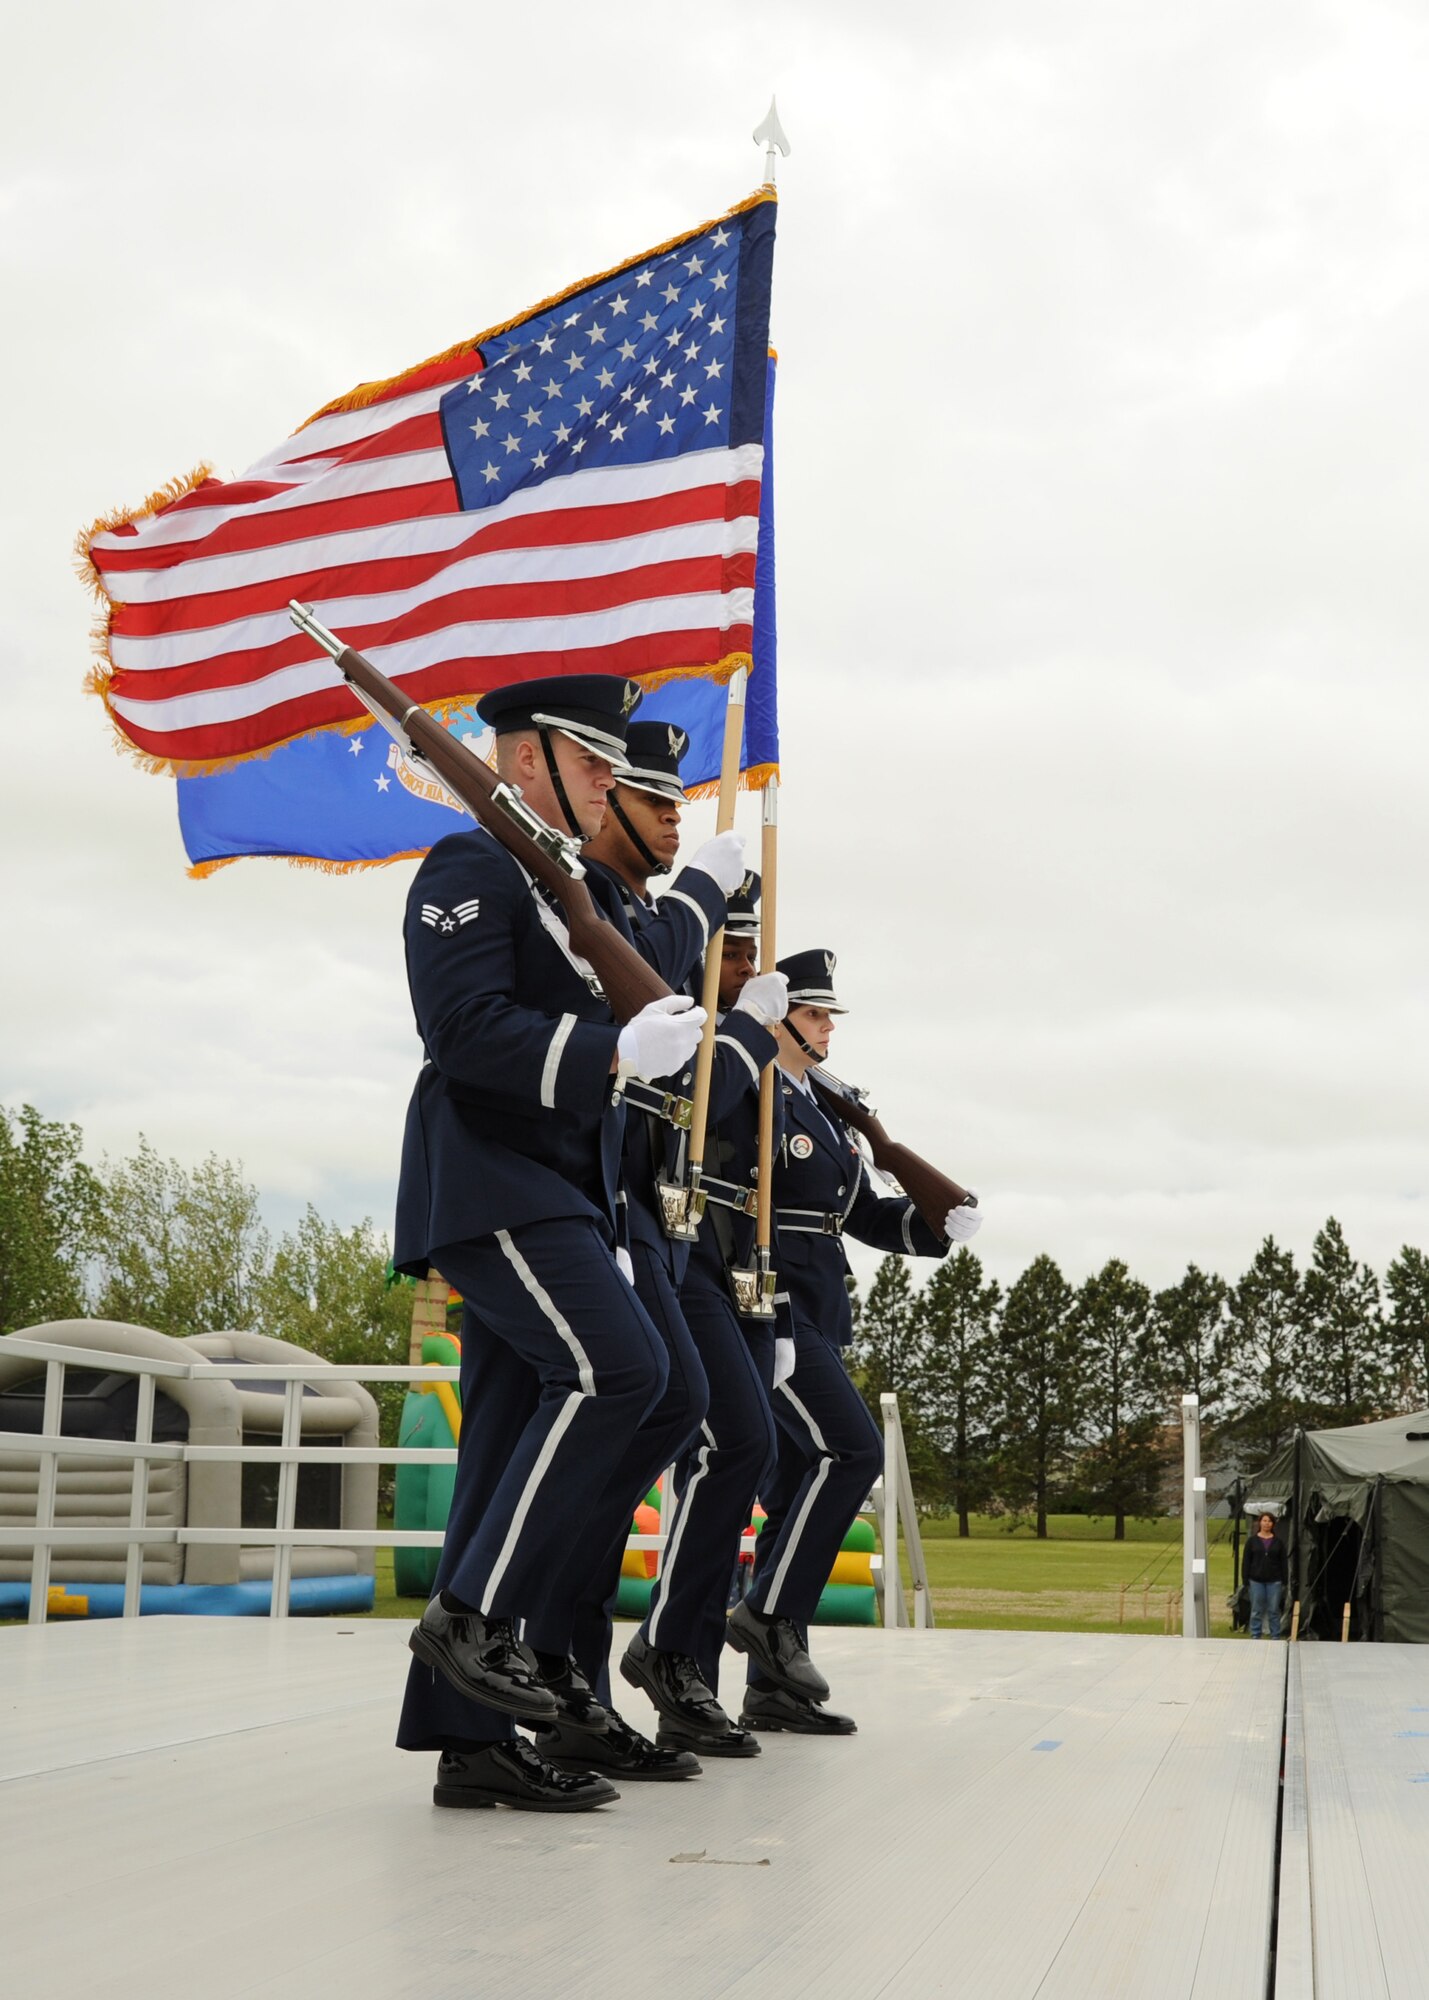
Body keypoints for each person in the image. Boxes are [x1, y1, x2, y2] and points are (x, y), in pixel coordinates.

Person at [393, 674, 724, 1813]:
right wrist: (615, 1054)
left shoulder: (568, 885)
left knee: (526, 1434)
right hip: (492, 1177)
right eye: (593, 764)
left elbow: (632, 962)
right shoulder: (471, 865)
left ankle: (474, 1734)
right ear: (525, 758)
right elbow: (466, 1031)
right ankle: (473, 1619)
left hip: (562, 1188)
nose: (609, 783)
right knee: (618, 1372)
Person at [517, 719, 754, 1784]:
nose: (668, 816)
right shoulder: (577, 898)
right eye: (652, 800)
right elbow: (655, 969)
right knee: (629, 1411)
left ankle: (577, 1681)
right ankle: (548, 1670)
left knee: (657, 1414)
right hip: (581, 1197)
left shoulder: (615, 907)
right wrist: (705, 914)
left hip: (634, 1208)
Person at [730, 949, 982, 1734]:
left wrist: (933, 1224)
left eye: (828, 1015)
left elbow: (861, 1216)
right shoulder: (759, 1090)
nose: (827, 1027)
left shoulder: (825, 1106)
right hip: (768, 1307)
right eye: (811, 1014)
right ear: (776, 1017)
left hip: (816, 1312)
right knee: (851, 1452)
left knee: (797, 1480)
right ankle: (767, 1613)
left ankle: (772, 1687)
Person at [621, 871, 787, 1763]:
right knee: (728, 1443)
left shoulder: (739, 1035)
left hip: (722, 1262)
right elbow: (698, 1115)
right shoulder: (678, 1019)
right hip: (664, 1240)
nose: (748, 965)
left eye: (754, 951)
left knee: (743, 1446)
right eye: (735, 950)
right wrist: (752, 1032)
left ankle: (681, 1661)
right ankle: (666, 1646)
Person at [1243, 1511, 1287, 1639]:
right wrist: (1245, 1579)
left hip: (1274, 1580)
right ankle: (1256, 1634)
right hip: (1256, 1580)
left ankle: (1275, 1635)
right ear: (1260, 1522)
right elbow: (1246, 1561)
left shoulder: (1278, 1542)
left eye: (1269, 1521)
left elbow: (1283, 1562)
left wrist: (1284, 1579)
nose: (1267, 1524)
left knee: (1273, 1610)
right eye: (1264, 1521)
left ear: (1273, 1524)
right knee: (1257, 1609)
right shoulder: (1252, 1541)